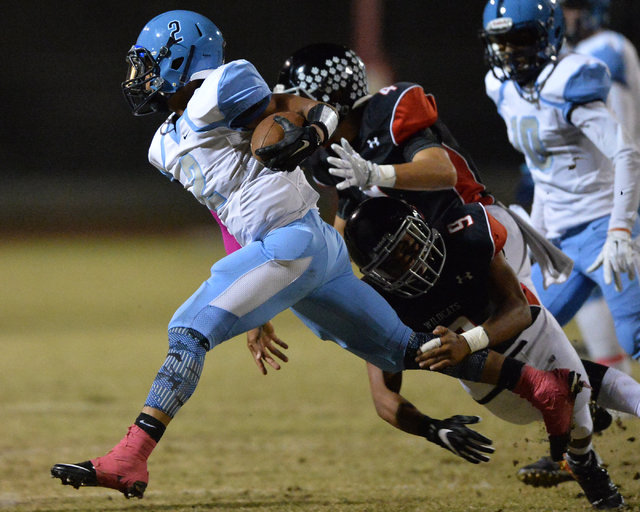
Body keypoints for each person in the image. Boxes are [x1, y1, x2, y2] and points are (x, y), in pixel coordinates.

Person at [49, 11, 571, 500]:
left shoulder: (222, 87)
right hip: (299, 248)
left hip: (293, 242)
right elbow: (225, 212)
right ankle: (543, 388)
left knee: (188, 329)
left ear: (182, 58)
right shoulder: (163, 144)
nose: (139, 75)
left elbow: (303, 108)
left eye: (148, 62)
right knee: (400, 350)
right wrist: (257, 306)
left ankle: (130, 458)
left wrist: (315, 129)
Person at [342, 195, 627, 509]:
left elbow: (518, 308)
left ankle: (583, 461)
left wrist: (467, 343)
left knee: (578, 398)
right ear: (376, 274)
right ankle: (581, 451)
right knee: (577, 399)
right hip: (493, 387)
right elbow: (383, 396)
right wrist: (431, 428)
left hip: (526, 331)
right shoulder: (377, 303)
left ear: (421, 225)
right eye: (393, 262)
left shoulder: (464, 235)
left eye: (408, 246)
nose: (412, 263)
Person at [480, 0, 640, 490]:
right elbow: (548, 175)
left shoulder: (574, 76)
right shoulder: (502, 88)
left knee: (636, 338)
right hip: (564, 242)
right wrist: (541, 238)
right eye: (502, 43)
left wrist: (620, 229)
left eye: (522, 41)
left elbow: (625, 151)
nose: (511, 54)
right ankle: (585, 422)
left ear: (547, 38)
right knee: (529, 343)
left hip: (607, 229)